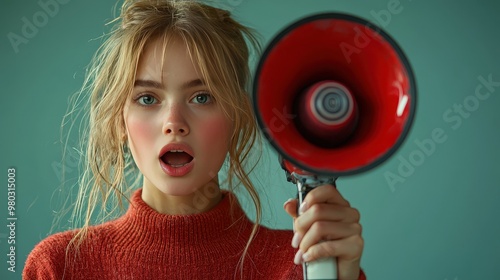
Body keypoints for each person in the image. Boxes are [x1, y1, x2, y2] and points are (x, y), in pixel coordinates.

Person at [23, 0, 365, 279]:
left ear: (238, 118)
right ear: (118, 122)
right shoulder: (58, 266)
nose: (174, 123)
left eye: (202, 97)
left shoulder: (303, 266)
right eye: (147, 98)